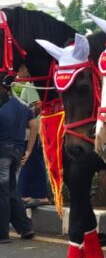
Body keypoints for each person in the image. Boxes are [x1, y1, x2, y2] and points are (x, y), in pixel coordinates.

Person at [0, 74, 37, 243]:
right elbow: (34, 125)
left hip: (2, 152)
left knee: (2, 192)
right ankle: (25, 228)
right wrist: (28, 150)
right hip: (17, 152)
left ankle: (2, 235)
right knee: (10, 189)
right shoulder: (22, 105)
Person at [15, 76, 48, 209]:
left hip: (34, 131)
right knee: (28, 162)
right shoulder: (29, 85)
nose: (18, 75)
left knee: (34, 161)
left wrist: (23, 116)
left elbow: (37, 106)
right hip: (31, 131)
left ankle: (40, 195)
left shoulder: (31, 85)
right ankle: (25, 194)